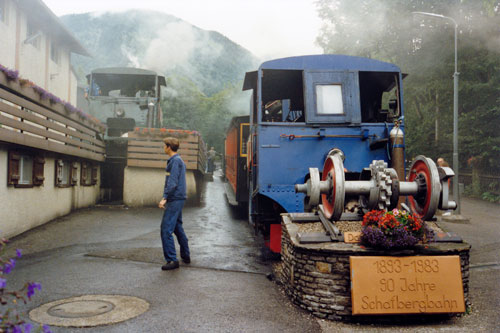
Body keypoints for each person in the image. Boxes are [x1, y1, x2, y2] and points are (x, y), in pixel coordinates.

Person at [158, 137, 190, 270]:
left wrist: (165, 197)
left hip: (174, 198)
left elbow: (172, 182)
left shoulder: (175, 161)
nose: (163, 148)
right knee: (177, 227)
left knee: (166, 230)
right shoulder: (177, 160)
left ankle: (172, 260)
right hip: (178, 198)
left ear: (169, 147)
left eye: (164, 145)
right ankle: (185, 255)